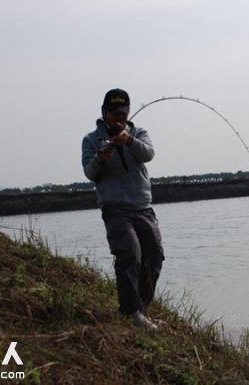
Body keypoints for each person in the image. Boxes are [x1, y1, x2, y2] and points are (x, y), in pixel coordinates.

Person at [81, 88, 164, 331]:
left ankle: (140, 310)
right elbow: (89, 172)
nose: (120, 117)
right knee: (130, 253)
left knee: (154, 256)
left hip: (143, 206)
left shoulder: (138, 133)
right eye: (115, 113)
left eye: (124, 113)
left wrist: (128, 139)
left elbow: (148, 154)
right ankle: (131, 312)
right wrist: (101, 158)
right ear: (104, 113)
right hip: (115, 208)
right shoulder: (91, 140)